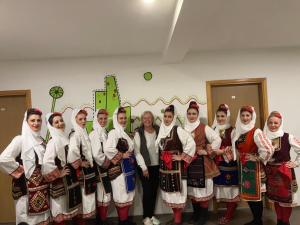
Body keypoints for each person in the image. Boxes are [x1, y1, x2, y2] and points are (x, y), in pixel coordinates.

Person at [0, 108, 50, 225]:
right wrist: (21, 170)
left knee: (42, 220)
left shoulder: (41, 141)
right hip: (25, 189)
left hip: (42, 188)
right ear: (26, 122)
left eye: (39, 120)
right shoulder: (20, 140)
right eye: (32, 120)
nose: (36, 123)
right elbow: (3, 159)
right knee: (27, 220)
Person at [232, 106, 274, 225]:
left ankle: (258, 220)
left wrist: (257, 157)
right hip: (243, 167)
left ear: (252, 117)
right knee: (248, 196)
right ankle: (255, 219)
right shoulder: (237, 131)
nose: (245, 118)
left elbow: (269, 148)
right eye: (243, 115)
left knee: (256, 196)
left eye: (247, 115)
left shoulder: (256, 131)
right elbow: (236, 147)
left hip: (254, 168)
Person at [157, 105, 196, 225]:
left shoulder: (177, 129)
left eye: (170, 117)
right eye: (165, 116)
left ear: (174, 118)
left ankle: (178, 220)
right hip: (165, 167)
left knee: (177, 193)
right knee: (169, 193)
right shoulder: (161, 130)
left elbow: (191, 142)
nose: (167, 119)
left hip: (176, 168)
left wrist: (182, 156)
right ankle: (176, 217)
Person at [184, 101, 221, 225]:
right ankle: (196, 214)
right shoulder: (183, 128)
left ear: (197, 114)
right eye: (189, 113)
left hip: (202, 164)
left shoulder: (204, 127)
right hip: (189, 163)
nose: (191, 116)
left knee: (202, 190)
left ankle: (203, 217)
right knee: (193, 191)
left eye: (194, 113)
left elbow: (217, 139)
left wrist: (206, 151)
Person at [43, 112, 80, 225]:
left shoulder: (63, 137)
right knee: (60, 211)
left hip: (68, 181)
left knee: (68, 209)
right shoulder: (53, 141)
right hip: (59, 183)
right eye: (56, 122)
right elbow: (46, 162)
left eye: (61, 120)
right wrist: (58, 173)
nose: (60, 123)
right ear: (51, 126)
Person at [264, 111, 300, 225]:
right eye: (270, 123)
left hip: (284, 173)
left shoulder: (287, 137)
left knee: (285, 200)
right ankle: (279, 220)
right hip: (270, 172)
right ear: (267, 123)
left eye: (276, 123)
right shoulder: (264, 137)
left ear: (280, 123)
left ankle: (285, 222)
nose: (273, 125)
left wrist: (296, 163)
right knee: (275, 198)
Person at [104, 107, 136, 225]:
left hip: (127, 169)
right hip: (119, 171)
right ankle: (123, 221)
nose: (123, 120)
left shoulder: (123, 133)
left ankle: (124, 220)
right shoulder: (114, 132)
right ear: (116, 119)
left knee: (126, 196)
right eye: (120, 118)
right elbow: (107, 149)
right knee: (122, 196)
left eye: (124, 118)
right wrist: (122, 155)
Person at [211, 104, 240, 225]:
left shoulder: (232, 130)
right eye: (218, 116)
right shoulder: (213, 129)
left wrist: (222, 151)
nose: (220, 118)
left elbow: (235, 148)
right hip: (216, 165)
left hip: (229, 165)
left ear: (227, 116)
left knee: (230, 190)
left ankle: (228, 215)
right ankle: (228, 213)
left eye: (222, 116)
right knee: (222, 189)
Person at [68, 109, 97, 225]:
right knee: (83, 200)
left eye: (85, 118)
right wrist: (80, 163)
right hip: (81, 172)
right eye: (80, 119)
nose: (83, 121)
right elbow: (72, 153)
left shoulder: (83, 132)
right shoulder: (75, 134)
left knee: (87, 199)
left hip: (88, 170)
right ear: (74, 120)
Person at [134, 111, 160, 225]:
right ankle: (146, 217)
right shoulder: (138, 132)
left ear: (152, 119)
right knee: (147, 192)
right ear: (142, 120)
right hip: (144, 166)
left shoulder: (158, 130)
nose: (147, 120)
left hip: (157, 166)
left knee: (154, 191)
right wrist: (144, 168)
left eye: (149, 118)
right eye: (145, 118)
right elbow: (137, 152)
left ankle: (151, 215)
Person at [89, 109, 112, 225]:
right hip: (100, 168)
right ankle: (101, 221)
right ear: (96, 119)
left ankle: (103, 219)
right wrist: (106, 162)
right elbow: (96, 154)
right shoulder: (94, 134)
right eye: (100, 118)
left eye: (105, 118)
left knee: (105, 194)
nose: (103, 121)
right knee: (102, 195)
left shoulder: (104, 132)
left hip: (105, 167)